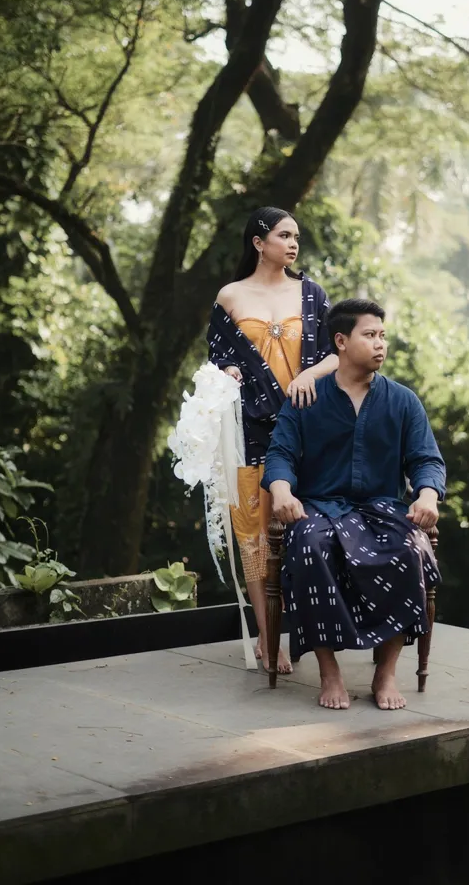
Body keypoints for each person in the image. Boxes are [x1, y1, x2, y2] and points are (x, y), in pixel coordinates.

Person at [261, 298, 445, 711]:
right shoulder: (307, 398)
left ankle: (387, 671)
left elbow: (426, 460)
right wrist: (282, 491)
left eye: (383, 335)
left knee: (412, 548)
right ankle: (329, 671)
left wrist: (428, 495)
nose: (380, 344)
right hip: (320, 508)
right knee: (310, 545)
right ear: (341, 341)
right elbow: (280, 455)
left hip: (383, 509)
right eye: (370, 335)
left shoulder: (403, 401)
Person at [207, 207, 338, 673]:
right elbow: (216, 356)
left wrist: (308, 375)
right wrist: (228, 370)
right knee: (255, 532)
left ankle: (309, 630)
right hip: (250, 427)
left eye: (296, 236)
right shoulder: (230, 296)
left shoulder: (311, 294)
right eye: (284, 235)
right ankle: (267, 637)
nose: (293, 243)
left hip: (305, 425)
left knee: (303, 527)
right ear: (259, 242)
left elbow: (335, 354)